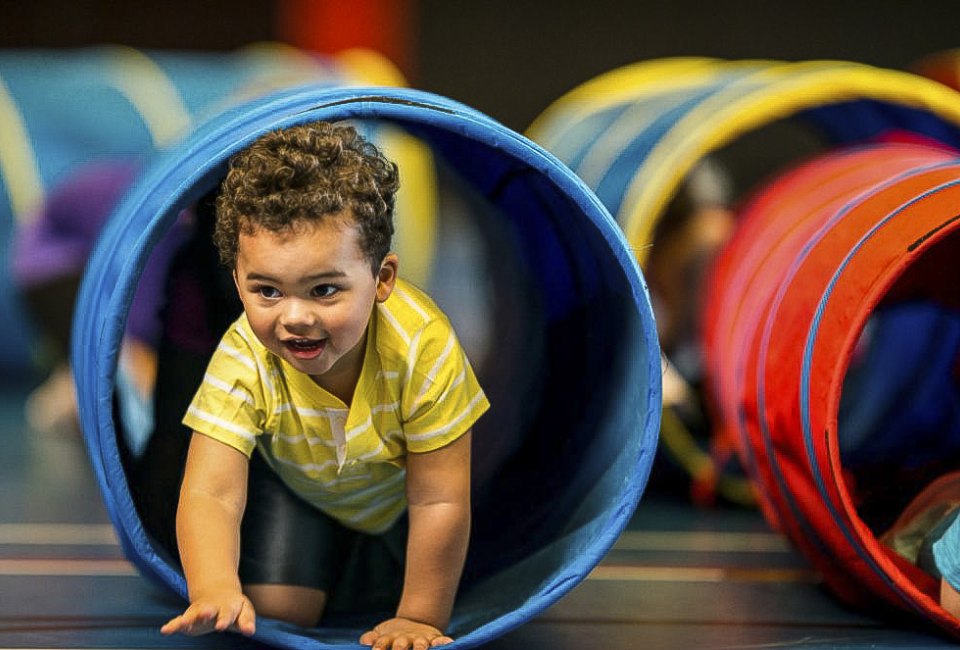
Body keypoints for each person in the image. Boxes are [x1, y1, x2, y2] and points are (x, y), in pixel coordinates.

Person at [158, 121, 489, 649]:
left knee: (451, 580)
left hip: (399, 502)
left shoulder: (421, 349)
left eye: (324, 290)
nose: (294, 317)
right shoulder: (245, 355)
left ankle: (363, 568)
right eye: (266, 290)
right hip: (302, 490)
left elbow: (438, 500)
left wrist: (420, 616)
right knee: (278, 613)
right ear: (237, 278)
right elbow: (211, 491)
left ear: (382, 280)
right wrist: (215, 585)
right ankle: (337, 566)